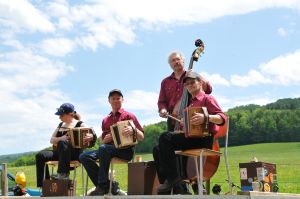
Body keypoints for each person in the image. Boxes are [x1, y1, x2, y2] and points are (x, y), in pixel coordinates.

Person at [156, 71, 226, 194]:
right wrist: (185, 124)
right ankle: (174, 185)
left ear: (200, 82)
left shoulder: (207, 98)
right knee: (157, 149)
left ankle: (173, 179)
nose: (190, 85)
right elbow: (191, 127)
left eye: (193, 82)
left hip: (204, 140)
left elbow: (222, 118)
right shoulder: (190, 104)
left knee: (165, 137)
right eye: (187, 84)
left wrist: (206, 117)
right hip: (192, 139)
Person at [154, 51, 213, 194]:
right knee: (159, 150)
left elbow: (209, 89)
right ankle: (177, 186)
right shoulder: (165, 82)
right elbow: (162, 102)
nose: (176, 62)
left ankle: (196, 183)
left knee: (183, 152)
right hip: (174, 119)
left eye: (178, 59)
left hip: (193, 121)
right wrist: (162, 110)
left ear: (183, 60)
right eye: (172, 61)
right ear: (170, 64)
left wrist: (198, 75)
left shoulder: (192, 77)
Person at [79, 89, 144, 196]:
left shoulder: (129, 116)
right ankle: (107, 185)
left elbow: (142, 137)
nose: (115, 100)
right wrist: (106, 139)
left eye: (118, 98)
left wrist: (133, 130)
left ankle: (102, 185)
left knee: (104, 148)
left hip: (125, 151)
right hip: (107, 149)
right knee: (83, 156)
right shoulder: (105, 120)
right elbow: (102, 141)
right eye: (113, 98)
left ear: (123, 100)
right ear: (109, 101)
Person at [35, 103, 96, 188]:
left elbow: (92, 135)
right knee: (40, 155)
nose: (59, 117)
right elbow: (51, 140)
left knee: (62, 143)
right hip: (61, 153)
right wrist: (62, 138)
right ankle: (45, 185)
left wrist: (92, 136)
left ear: (70, 114)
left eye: (61, 115)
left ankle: (63, 175)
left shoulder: (80, 124)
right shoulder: (60, 125)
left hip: (74, 154)